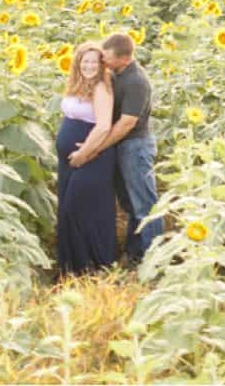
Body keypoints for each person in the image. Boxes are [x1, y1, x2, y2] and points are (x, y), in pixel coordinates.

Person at [69, 32, 162, 266]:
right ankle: (135, 254)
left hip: (135, 147)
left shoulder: (136, 81)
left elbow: (126, 123)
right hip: (122, 147)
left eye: (107, 58)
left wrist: (96, 147)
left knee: (145, 204)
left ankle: (154, 259)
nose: (103, 61)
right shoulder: (117, 74)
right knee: (130, 203)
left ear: (124, 58)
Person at [55, 41, 117, 278]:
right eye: (85, 61)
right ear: (78, 63)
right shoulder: (76, 85)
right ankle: (70, 268)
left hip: (93, 157)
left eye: (94, 61)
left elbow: (102, 127)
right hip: (69, 161)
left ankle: (94, 265)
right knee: (68, 209)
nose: (89, 66)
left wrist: (84, 153)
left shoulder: (101, 88)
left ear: (101, 64)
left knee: (80, 208)